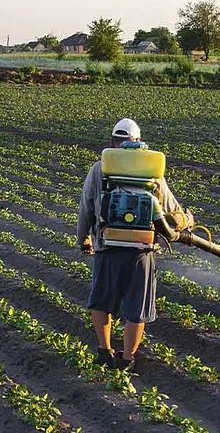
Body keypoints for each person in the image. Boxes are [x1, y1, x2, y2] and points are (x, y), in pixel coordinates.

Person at [77, 118, 189, 370]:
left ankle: (104, 351)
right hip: (141, 250)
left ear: (112, 141)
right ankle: (127, 358)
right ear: (139, 142)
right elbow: (172, 210)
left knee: (101, 301)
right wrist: (185, 221)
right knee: (136, 306)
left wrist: (83, 238)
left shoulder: (99, 168)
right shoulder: (152, 171)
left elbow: (86, 208)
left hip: (107, 245)